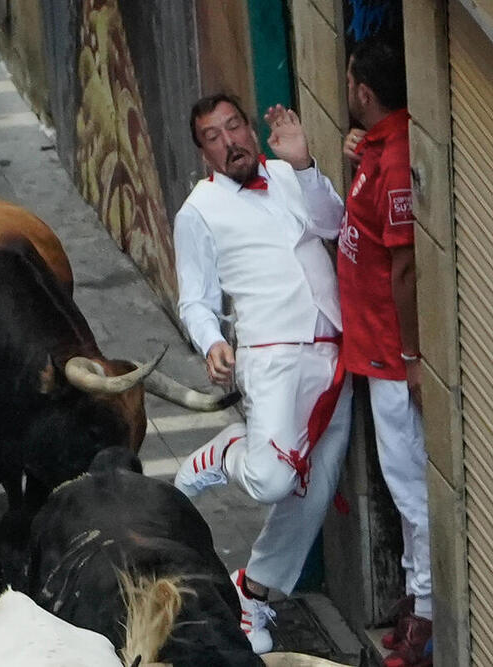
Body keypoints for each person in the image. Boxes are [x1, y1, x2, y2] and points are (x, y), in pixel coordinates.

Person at [172, 94, 352, 654]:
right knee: (273, 478)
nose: (230, 142)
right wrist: (210, 344)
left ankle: (252, 593)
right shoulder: (197, 210)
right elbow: (195, 300)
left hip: (332, 346)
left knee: (315, 488)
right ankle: (228, 451)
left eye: (234, 127)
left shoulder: (284, 172)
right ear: (204, 153)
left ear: (250, 128)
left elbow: (335, 223)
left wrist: (302, 163)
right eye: (213, 137)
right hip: (270, 354)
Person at [339, 39, 431, 667]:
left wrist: (413, 355)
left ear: (363, 90)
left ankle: (427, 614)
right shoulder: (375, 147)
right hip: (373, 352)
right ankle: (414, 595)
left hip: (392, 361)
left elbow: (405, 269)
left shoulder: (395, 161)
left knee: (410, 488)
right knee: (402, 485)